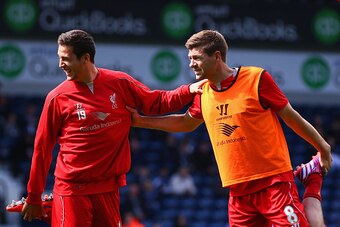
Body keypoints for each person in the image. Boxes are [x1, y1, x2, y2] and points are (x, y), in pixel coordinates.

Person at [127, 30, 333, 226]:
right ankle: (312, 181)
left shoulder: (256, 78)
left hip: (273, 183)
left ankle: (312, 180)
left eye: (196, 58)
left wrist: (322, 147)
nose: (191, 64)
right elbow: (185, 123)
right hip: (237, 192)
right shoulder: (203, 92)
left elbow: (291, 117)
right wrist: (141, 121)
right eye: (189, 58)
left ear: (217, 56)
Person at [21, 29, 207, 226]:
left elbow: (157, 102)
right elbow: (42, 149)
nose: (60, 64)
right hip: (72, 190)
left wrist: (188, 90)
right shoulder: (56, 98)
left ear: (85, 58)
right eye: (60, 58)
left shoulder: (120, 83)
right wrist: (34, 197)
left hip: (109, 190)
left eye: (65, 58)